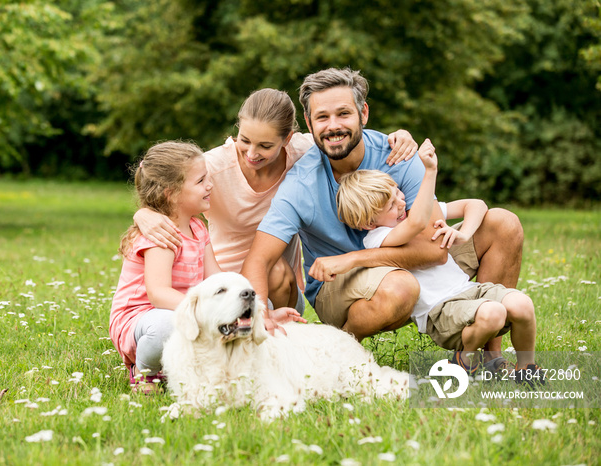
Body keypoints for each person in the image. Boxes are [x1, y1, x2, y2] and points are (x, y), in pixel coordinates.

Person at [241, 68, 524, 375]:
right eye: (322, 117)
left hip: (400, 263)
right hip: (342, 287)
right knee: (400, 286)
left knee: (503, 223)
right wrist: (259, 314)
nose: (333, 126)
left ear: (363, 113)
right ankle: (342, 352)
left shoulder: (399, 156)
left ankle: (490, 355)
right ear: (309, 123)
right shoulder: (301, 184)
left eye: (343, 113)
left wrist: (353, 258)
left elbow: (435, 251)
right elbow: (258, 260)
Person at [132, 88, 418, 318]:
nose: (251, 154)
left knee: (276, 269)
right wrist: (143, 213)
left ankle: (276, 331)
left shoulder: (304, 153)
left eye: (266, 146)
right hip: (220, 282)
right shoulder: (211, 168)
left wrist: (400, 135)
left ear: (287, 139)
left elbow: (343, 133)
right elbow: (162, 183)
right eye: (244, 140)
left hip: (280, 287)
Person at [335, 140, 543, 382]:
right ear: (369, 223)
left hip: (469, 291)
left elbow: (476, 205)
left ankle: (527, 369)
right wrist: (429, 172)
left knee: (523, 305)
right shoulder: (378, 238)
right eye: (391, 205)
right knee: (494, 313)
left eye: (398, 193)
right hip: (441, 309)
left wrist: (462, 233)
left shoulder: (411, 213)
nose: (402, 203)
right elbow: (414, 225)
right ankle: (463, 360)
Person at [109, 141, 223, 393]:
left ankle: (180, 366)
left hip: (180, 310)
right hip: (142, 320)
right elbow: (158, 294)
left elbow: (215, 279)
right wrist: (202, 311)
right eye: (200, 181)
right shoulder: (160, 236)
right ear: (170, 192)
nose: (209, 185)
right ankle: (145, 372)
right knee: (167, 325)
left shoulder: (198, 228)